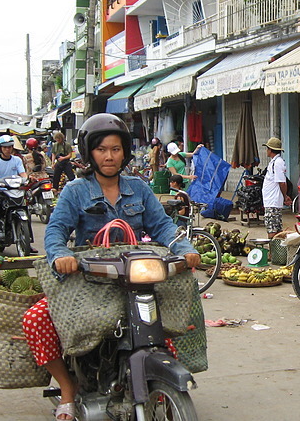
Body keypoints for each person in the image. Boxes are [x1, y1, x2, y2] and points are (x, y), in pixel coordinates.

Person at [21, 114, 200, 421]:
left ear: (124, 152)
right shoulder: (75, 191)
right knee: (36, 319)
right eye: (102, 149)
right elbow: (55, 232)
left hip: (134, 280)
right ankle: (67, 388)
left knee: (170, 325)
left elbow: (163, 226)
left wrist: (185, 249)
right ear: (89, 152)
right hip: (88, 281)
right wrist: (61, 256)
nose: (109, 156)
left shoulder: (139, 188)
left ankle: (155, 378)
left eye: (115, 149)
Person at [0, 134, 29, 256]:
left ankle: (28, 242)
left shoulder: (17, 160)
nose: (8, 149)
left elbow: (23, 173)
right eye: (5, 147)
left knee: (25, 210)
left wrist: (25, 179)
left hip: (13, 190)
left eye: (10, 147)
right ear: (0, 148)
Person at [261, 137, 291, 239]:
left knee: (272, 229)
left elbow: (282, 182)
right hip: (271, 201)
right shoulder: (274, 162)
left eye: (267, 148)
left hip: (272, 201)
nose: (266, 151)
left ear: (270, 149)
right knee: (276, 228)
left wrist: (285, 196)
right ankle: (278, 252)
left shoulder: (277, 162)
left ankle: (273, 253)